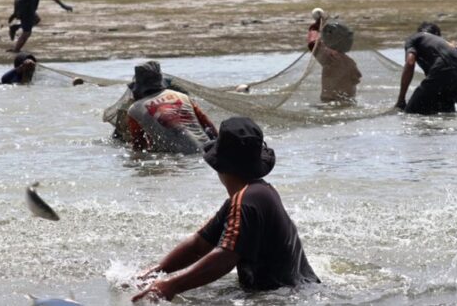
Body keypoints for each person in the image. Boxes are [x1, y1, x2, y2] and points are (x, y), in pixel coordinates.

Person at [132, 117, 319, 302]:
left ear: (219, 165)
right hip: (299, 293)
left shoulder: (246, 201)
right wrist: (156, 272)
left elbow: (226, 256)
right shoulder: (255, 193)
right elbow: (199, 244)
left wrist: (172, 285)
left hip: (284, 298)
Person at [125, 61, 217, 153]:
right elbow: (209, 127)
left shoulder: (135, 109)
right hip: (208, 150)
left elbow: (139, 145)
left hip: (178, 157)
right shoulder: (182, 96)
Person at [396, 22, 457, 114]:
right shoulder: (447, 45)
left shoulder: (415, 38)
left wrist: (401, 99)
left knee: (410, 113)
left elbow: (410, 62)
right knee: (445, 114)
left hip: (442, 71)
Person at [306, 8, 362, 103]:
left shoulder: (330, 58)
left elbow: (312, 44)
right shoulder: (351, 62)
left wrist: (315, 27)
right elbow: (357, 78)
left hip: (329, 102)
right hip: (349, 101)